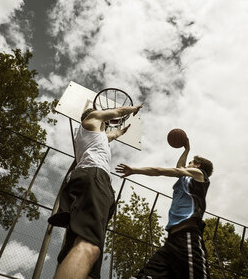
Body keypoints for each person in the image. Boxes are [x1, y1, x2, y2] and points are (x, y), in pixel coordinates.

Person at [48, 103, 142, 279]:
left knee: (87, 260)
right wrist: (133, 109)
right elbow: (120, 111)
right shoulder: (91, 120)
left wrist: (123, 130)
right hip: (93, 176)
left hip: (88, 178)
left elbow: (113, 135)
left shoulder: (96, 136)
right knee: (88, 245)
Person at [115, 138, 213, 279]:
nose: (187, 164)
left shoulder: (199, 175)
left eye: (190, 162)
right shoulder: (185, 179)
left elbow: (160, 170)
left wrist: (134, 169)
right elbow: (180, 167)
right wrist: (186, 150)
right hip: (171, 241)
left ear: (197, 166)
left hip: (188, 237)